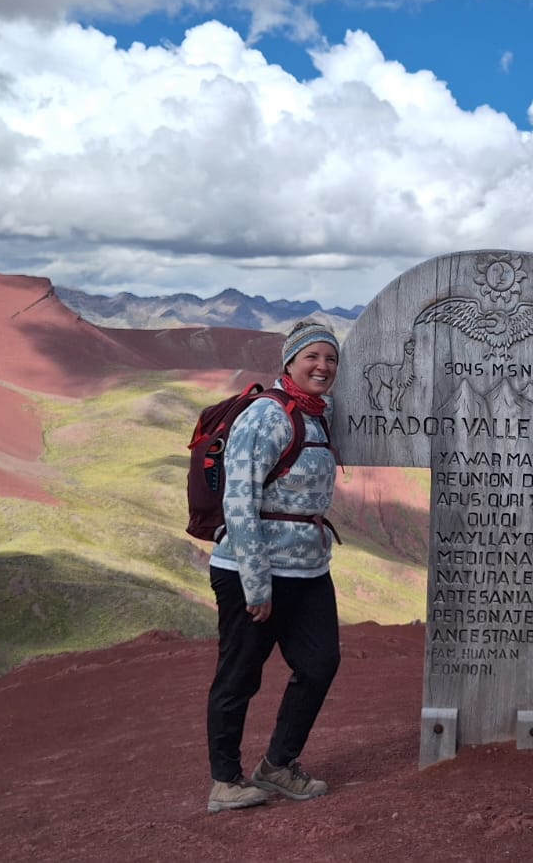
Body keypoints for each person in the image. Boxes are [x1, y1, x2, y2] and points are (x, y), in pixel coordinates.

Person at [204, 318, 345, 812]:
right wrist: (255, 582)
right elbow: (239, 501)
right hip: (253, 569)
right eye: (312, 357)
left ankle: (278, 766)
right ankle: (225, 781)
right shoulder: (266, 417)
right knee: (239, 675)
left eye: (330, 359)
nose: (322, 366)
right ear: (289, 361)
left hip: (308, 571)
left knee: (320, 663)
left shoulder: (320, 415)